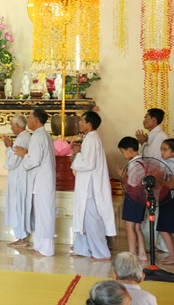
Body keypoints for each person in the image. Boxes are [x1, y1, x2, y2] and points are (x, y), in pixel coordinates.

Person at [70, 111, 117, 260]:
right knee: (84, 218)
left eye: (82, 121)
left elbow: (89, 164)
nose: (79, 123)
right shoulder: (90, 138)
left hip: (90, 187)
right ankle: (83, 248)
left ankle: (101, 252)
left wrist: (77, 154)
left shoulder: (91, 139)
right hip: (87, 184)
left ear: (89, 124)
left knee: (92, 220)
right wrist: (77, 154)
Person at [14, 108, 56, 257]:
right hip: (40, 181)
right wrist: (27, 155)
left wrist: (24, 155)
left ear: (36, 121)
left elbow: (34, 160)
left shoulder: (38, 136)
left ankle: (47, 249)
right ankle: (39, 245)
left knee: (44, 214)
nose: (28, 120)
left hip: (42, 182)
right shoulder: (42, 135)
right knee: (38, 214)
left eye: (30, 118)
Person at [134, 108, 168, 253]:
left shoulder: (159, 136)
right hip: (151, 178)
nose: (144, 120)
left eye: (146, 118)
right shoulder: (154, 135)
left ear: (154, 120)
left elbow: (151, 159)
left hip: (156, 179)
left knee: (153, 211)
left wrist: (143, 143)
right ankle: (149, 243)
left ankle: (150, 244)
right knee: (150, 211)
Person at [116, 137, 148, 263]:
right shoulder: (142, 161)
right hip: (141, 197)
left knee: (129, 226)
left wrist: (123, 176)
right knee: (137, 227)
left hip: (133, 198)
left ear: (130, 150)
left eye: (123, 152)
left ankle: (132, 253)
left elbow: (131, 184)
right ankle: (142, 253)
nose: (123, 155)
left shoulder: (134, 164)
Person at [3, 114, 30, 247]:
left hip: (19, 178)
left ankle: (21, 238)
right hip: (21, 177)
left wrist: (8, 147)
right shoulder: (25, 137)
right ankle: (21, 236)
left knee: (17, 206)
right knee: (20, 206)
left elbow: (13, 162)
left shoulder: (21, 139)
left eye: (12, 125)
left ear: (18, 126)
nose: (11, 128)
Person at [156, 138, 174, 265]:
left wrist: (159, 179)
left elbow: (171, 184)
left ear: (173, 152)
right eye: (161, 149)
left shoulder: (171, 165)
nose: (162, 152)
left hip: (169, 197)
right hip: (173, 198)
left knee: (163, 228)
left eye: (165, 150)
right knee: (173, 230)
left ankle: (173, 255)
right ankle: (173, 255)